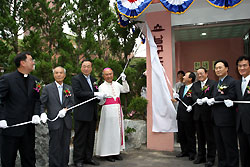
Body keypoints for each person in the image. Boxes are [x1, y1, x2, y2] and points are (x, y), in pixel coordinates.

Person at [0, 51, 41, 167]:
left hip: (28, 129)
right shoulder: (7, 79)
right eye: (31, 60)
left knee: (29, 160)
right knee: (8, 160)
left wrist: (36, 114)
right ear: (22, 63)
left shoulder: (35, 80)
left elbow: (37, 100)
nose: (33, 62)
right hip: (10, 128)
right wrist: (1, 118)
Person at [40, 66, 74, 167]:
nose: (58, 75)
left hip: (66, 122)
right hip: (54, 122)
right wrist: (42, 113)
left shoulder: (69, 88)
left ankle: (65, 164)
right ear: (53, 75)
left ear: (64, 75)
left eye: (60, 73)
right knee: (54, 146)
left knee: (65, 146)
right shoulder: (47, 88)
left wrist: (66, 109)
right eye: (56, 73)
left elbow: (73, 103)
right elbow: (41, 103)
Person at [206, 60, 239, 167]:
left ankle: (233, 164)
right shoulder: (216, 84)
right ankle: (222, 164)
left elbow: (231, 96)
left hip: (227, 120)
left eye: (220, 67)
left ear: (227, 68)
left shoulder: (232, 82)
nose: (218, 70)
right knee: (220, 146)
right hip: (215, 120)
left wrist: (215, 99)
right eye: (216, 68)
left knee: (230, 146)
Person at [72, 60, 104, 167]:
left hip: (92, 113)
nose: (86, 68)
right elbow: (78, 93)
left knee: (90, 137)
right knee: (80, 138)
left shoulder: (94, 79)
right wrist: (94, 94)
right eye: (84, 66)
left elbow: (95, 96)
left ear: (91, 68)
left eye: (88, 66)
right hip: (82, 113)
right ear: (81, 67)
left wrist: (100, 98)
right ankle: (78, 160)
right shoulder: (76, 79)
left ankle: (88, 158)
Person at [95, 68, 129, 162]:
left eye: (110, 74)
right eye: (107, 74)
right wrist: (102, 97)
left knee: (117, 131)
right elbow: (100, 103)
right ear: (103, 76)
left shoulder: (116, 84)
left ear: (113, 74)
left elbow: (126, 90)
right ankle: (107, 153)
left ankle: (116, 152)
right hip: (107, 111)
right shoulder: (101, 86)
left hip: (117, 110)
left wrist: (124, 80)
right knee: (108, 132)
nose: (109, 76)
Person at [227, 56, 250, 167]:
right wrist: (230, 101)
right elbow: (234, 97)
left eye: (244, 65)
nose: (242, 68)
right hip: (240, 123)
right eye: (239, 66)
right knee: (244, 152)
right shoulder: (237, 83)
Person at [192, 67, 217, 167]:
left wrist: (207, 99)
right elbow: (193, 94)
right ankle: (201, 156)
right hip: (198, 115)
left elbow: (213, 95)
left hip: (208, 115)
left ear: (206, 73)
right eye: (198, 74)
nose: (199, 75)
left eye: (201, 73)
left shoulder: (213, 83)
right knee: (200, 137)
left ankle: (211, 158)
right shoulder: (195, 84)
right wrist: (197, 99)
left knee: (210, 138)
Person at [173, 71, 196, 161]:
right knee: (181, 134)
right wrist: (176, 97)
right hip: (181, 114)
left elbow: (196, 99)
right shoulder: (182, 88)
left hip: (189, 115)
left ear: (190, 79)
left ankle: (192, 152)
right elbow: (180, 99)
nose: (183, 77)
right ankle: (184, 151)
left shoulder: (195, 88)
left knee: (190, 134)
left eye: (185, 76)